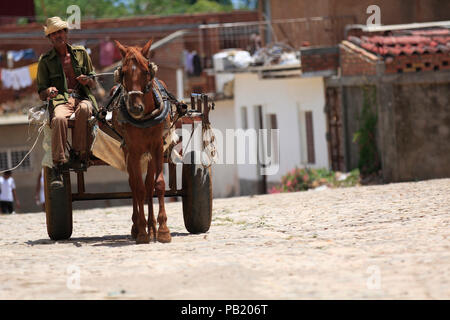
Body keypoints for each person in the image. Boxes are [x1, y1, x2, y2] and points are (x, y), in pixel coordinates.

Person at [36, 16, 98, 189]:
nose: (58, 35)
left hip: (82, 97)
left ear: (66, 33)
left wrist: (87, 81)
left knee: (85, 109)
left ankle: (78, 153)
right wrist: (48, 91)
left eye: (60, 31)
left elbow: (93, 81)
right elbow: (41, 92)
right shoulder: (45, 60)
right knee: (58, 120)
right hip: (60, 101)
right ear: (49, 38)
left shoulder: (81, 53)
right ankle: (58, 164)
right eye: (53, 34)